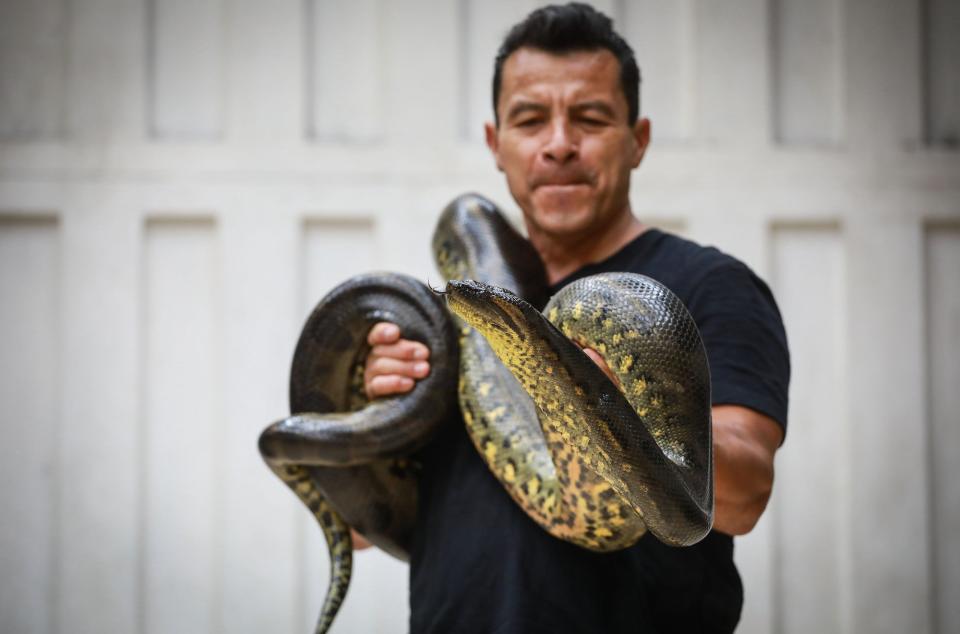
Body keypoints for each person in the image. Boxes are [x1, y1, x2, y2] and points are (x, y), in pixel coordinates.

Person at [363, 4, 789, 632]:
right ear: (496, 145)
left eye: (590, 118)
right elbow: (366, 530)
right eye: (530, 120)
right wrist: (380, 419)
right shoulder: (459, 317)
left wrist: (615, 411)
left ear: (638, 140)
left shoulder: (708, 286)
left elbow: (745, 494)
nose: (560, 145)